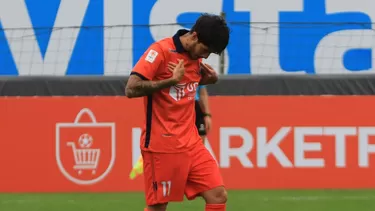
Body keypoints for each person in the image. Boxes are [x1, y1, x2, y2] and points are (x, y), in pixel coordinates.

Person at [125, 13, 230, 211]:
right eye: (206, 50)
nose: (205, 56)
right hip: (161, 145)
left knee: (217, 195)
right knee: (158, 207)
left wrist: (211, 79)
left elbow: (189, 83)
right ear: (195, 36)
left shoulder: (195, 57)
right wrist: (170, 81)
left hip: (191, 144)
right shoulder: (160, 51)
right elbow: (131, 89)